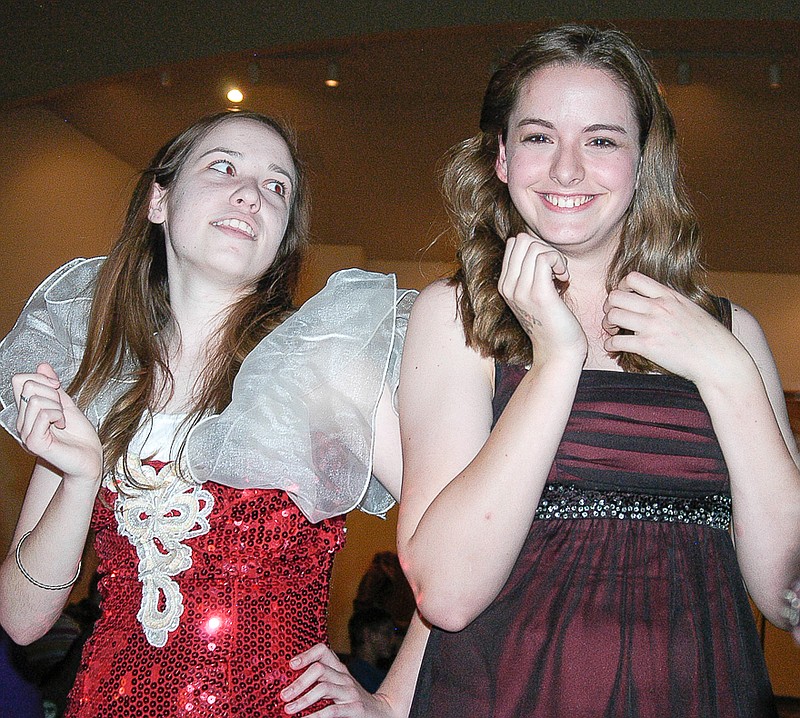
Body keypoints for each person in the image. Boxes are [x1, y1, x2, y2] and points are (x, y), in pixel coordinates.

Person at [397, 24, 800, 718]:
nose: (566, 170)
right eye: (538, 136)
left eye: (603, 140)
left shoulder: (730, 336)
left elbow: (784, 590)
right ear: (500, 157)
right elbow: (450, 593)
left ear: (645, 162)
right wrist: (556, 360)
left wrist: (729, 372)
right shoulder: (452, 318)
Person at [0, 110, 417, 717]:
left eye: (277, 186)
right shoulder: (100, 379)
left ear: (281, 239)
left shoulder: (327, 368)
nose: (251, 192)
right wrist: (80, 479)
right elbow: (21, 620)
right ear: (159, 202)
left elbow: (457, 546)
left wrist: (391, 701)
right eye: (223, 168)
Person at [346, 607, 397, 693]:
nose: (393, 640)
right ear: (368, 635)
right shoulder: (360, 676)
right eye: (387, 633)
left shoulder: (370, 672)